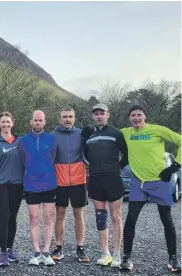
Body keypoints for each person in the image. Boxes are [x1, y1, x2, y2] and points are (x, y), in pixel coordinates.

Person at [119, 105, 181, 273]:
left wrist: (175, 166)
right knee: (131, 219)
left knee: (166, 220)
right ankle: (126, 258)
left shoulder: (157, 130)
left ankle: (173, 259)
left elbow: (180, 141)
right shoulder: (126, 132)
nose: (136, 118)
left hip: (159, 182)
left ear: (145, 117)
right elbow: (110, 135)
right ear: (129, 118)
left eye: (139, 115)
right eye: (133, 115)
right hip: (139, 183)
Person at [81, 103, 128, 268]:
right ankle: (105, 252)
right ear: (93, 116)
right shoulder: (89, 135)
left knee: (116, 217)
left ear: (108, 115)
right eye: (96, 114)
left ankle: (116, 253)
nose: (99, 116)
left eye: (102, 113)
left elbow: (126, 155)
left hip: (113, 179)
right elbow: (85, 156)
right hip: (95, 179)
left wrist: (116, 169)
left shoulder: (116, 133)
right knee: (100, 217)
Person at [17, 110, 57, 267]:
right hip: (31, 185)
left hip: (49, 184)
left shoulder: (52, 140)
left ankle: (46, 252)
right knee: (34, 218)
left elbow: (53, 159)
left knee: (48, 217)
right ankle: (36, 251)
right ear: (31, 122)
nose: (38, 123)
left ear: (45, 122)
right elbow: (21, 162)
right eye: (36, 120)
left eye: (41, 120)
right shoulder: (23, 141)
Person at [50, 108, 89, 263]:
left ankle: (80, 247)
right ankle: (58, 247)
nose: (67, 119)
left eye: (70, 117)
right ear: (60, 119)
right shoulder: (53, 135)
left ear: (74, 118)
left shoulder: (81, 134)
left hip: (78, 178)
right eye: (64, 117)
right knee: (60, 214)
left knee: (78, 214)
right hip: (59, 179)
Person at [0, 112, 24, 267]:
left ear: (12, 123)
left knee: (12, 218)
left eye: (8, 122)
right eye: (3, 122)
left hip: (17, 185)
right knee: (3, 217)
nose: (5, 124)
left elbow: (25, 163)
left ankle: (10, 249)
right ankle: (2, 253)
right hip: (1, 185)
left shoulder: (19, 142)